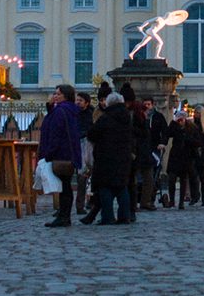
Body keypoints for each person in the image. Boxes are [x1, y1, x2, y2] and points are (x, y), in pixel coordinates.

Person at [86, 93, 135, 225]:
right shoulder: (127, 117)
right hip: (124, 156)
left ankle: (108, 217)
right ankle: (125, 216)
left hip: (106, 156)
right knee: (122, 187)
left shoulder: (106, 117)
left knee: (105, 187)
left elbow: (92, 134)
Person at [39, 84, 82, 227]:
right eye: (55, 93)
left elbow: (55, 133)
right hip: (69, 152)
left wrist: (49, 153)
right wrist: (50, 106)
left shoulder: (61, 111)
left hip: (61, 153)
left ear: (65, 96)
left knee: (64, 187)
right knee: (66, 186)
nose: (55, 96)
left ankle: (64, 216)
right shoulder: (69, 110)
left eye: (58, 94)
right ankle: (64, 215)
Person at [166, 109, 200, 208]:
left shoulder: (192, 128)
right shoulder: (174, 126)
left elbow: (197, 142)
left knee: (183, 179)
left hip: (186, 156)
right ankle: (172, 200)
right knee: (171, 178)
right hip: (175, 155)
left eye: (181, 119)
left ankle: (181, 202)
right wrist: (173, 123)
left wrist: (187, 139)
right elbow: (167, 134)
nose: (180, 121)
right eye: (178, 119)